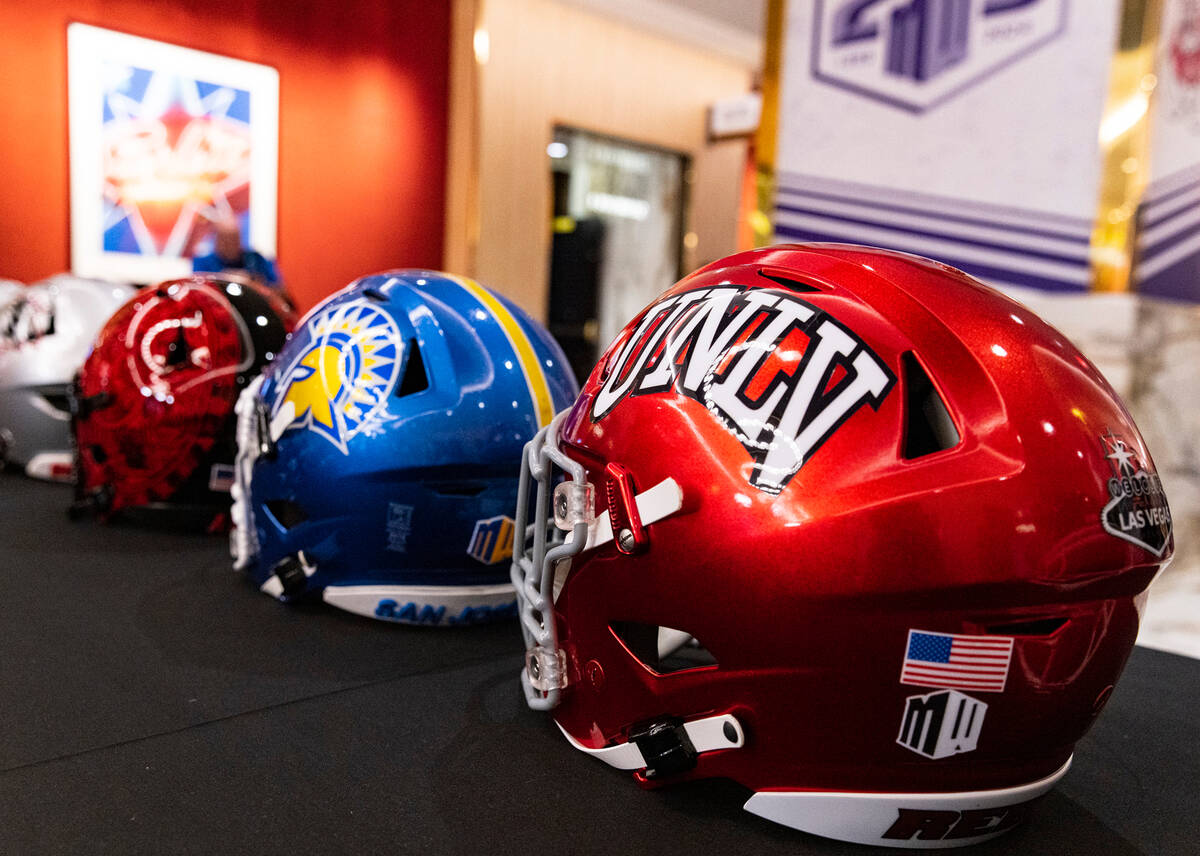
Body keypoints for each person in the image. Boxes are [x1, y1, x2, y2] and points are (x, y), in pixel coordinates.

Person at [192, 214, 281, 287]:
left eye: (233, 238)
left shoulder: (257, 260)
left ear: (239, 238)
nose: (229, 244)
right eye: (224, 239)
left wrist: (255, 281)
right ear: (216, 240)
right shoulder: (203, 263)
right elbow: (199, 289)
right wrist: (225, 278)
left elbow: (278, 288)